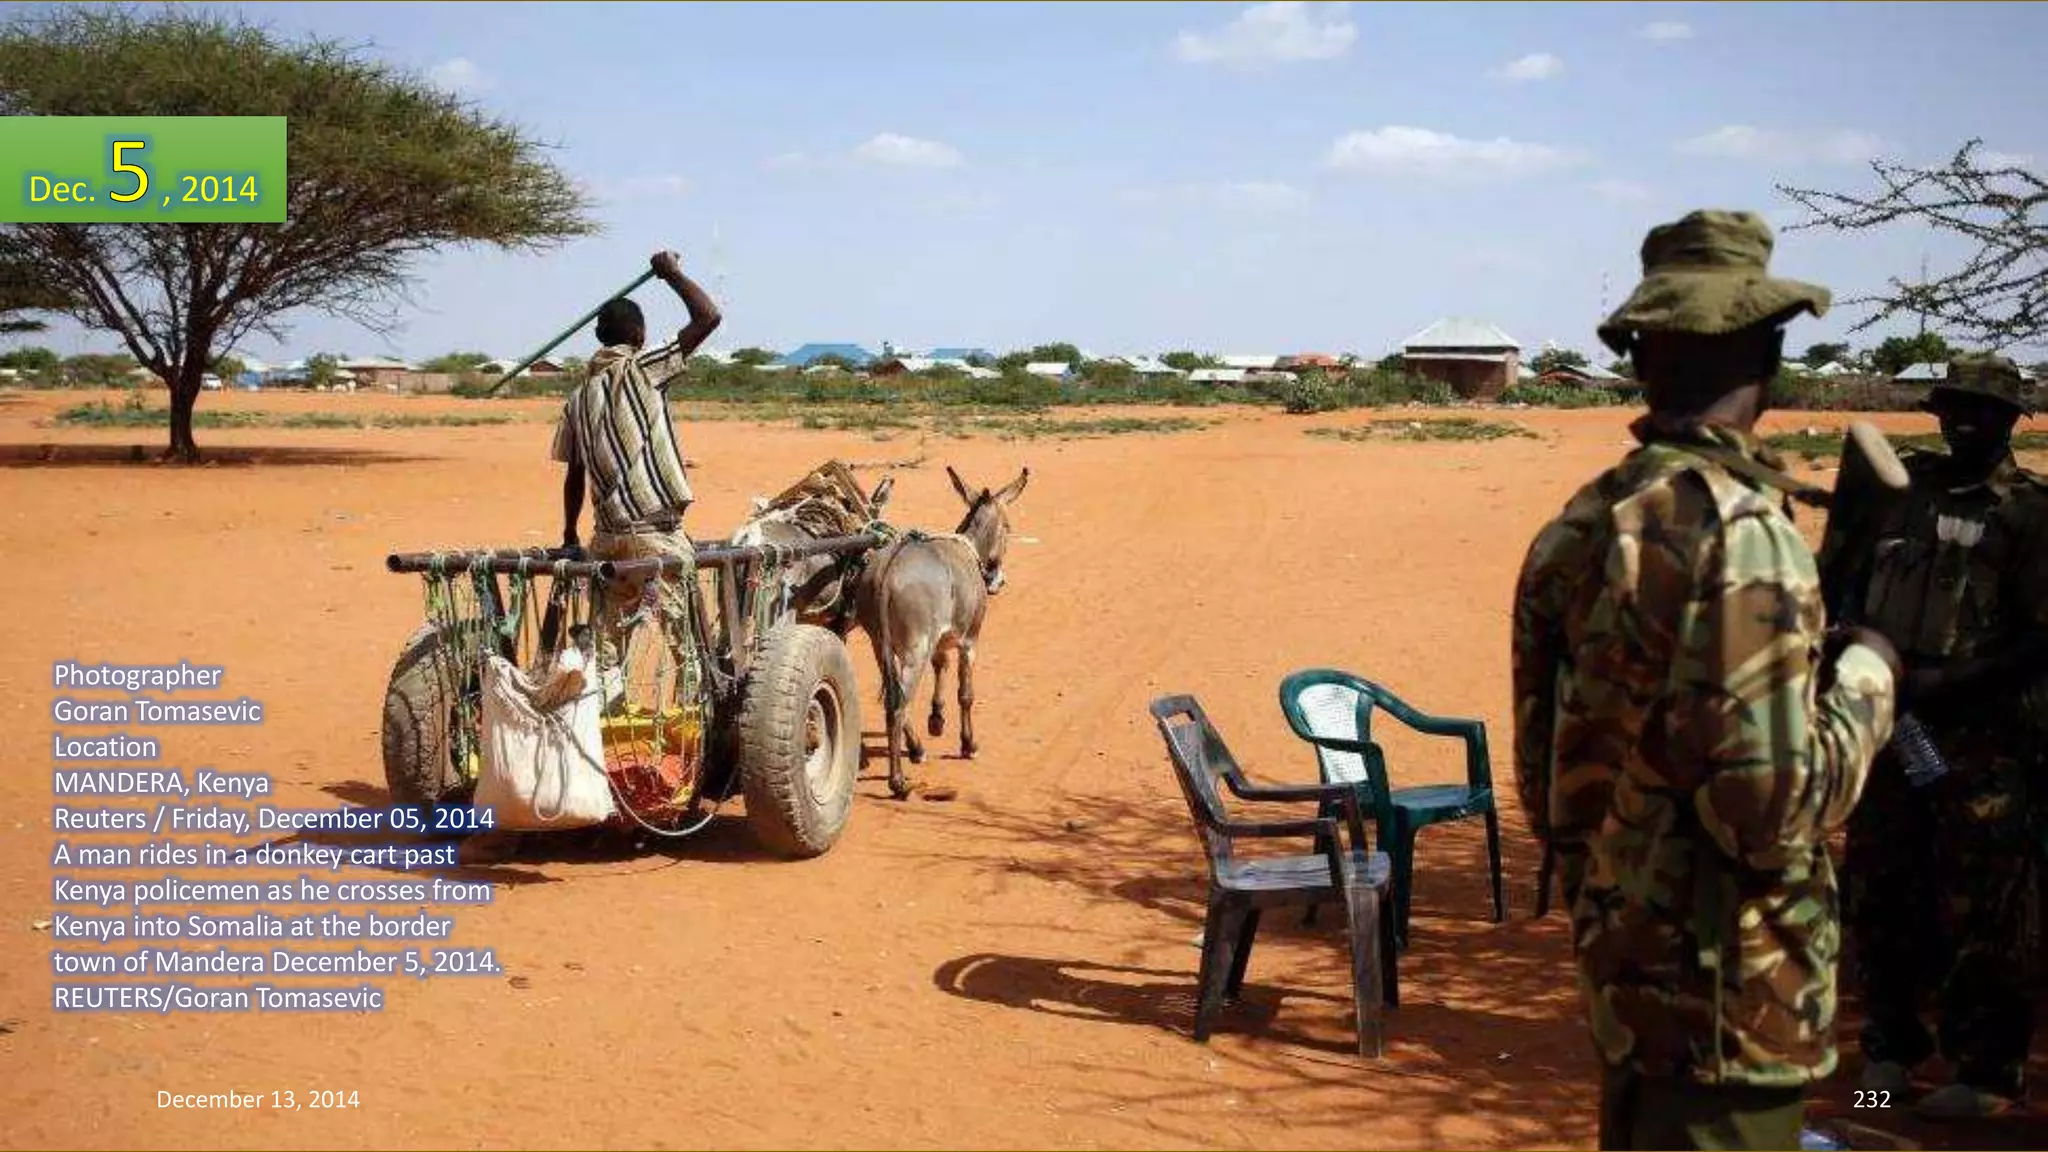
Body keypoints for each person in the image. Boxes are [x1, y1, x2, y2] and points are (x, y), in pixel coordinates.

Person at [1511, 208, 1901, 1150]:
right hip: (1735, 999)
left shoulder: (1585, 521)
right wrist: (1866, 681)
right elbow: (1768, 814)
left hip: (1629, 977)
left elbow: (1544, 784)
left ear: (1642, 356)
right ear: (1768, 351)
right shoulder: (1743, 533)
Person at [1836, 352, 2048, 1119]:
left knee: (1984, 908)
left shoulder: (2029, 512)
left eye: (1986, 410)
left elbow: (2038, 637)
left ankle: (1987, 1074)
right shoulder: (1899, 492)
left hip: (1981, 739)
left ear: (2010, 421)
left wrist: (1940, 683)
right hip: (1889, 732)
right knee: (1879, 893)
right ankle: (1885, 1059)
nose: (1967, 420)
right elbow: (1844, 582)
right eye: (1956, 406)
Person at [553, 249, 723, 699]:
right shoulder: (643, 369)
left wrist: (571, 534)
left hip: (606, 540)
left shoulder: (577, 397)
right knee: (688, 639)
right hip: (656, 534)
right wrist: (672, 274)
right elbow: (708, 316)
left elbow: (574, 476)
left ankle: (607, 725)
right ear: (638, 335)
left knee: (607, 650)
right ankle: (696, 730)